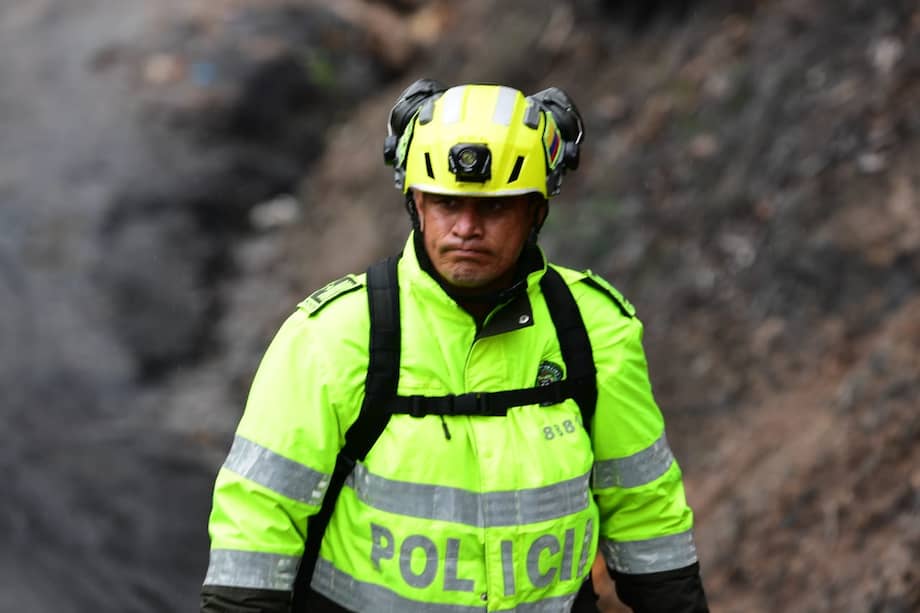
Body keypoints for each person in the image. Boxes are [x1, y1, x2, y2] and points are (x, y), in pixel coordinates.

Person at [200, 80, 709, 613]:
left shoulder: (596, 330)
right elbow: (257, 523)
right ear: (416, 203)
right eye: (447, 202)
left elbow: (645, 512)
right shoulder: (333, 336)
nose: (466, 228)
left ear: (536, 212)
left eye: (495, 208)